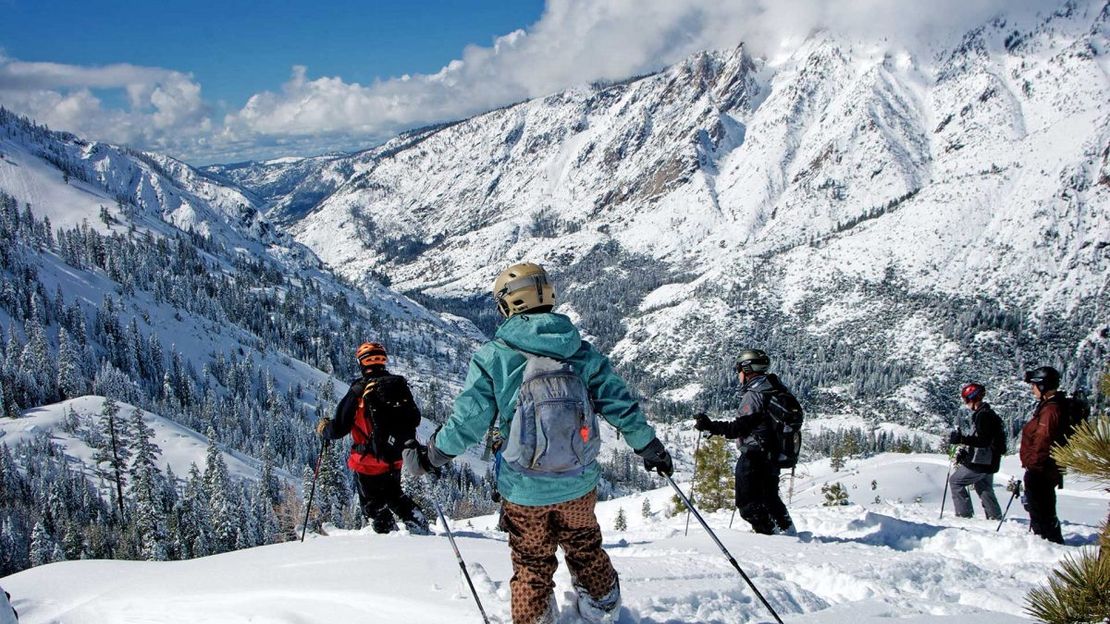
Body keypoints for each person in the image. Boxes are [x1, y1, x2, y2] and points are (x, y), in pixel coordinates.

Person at [403, 262, 673, 624]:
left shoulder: (494, 356)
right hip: (578, 482)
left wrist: (431, 456)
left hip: (523, 489)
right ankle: (604, 610)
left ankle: (535, 619)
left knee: (531, 562)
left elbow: (467, 423)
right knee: (585, 546)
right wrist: (648, 445)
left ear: (509, 304)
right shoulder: (580, 351)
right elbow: (618, 403)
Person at [316, 342, 429, 534]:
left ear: (361, 362)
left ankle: (387, 539)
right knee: (395, 495)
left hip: (368, 461)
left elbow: (340, 428)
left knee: (373, 505)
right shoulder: (398, 385)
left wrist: (324, 429)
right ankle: (418, 524)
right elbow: (415, 418)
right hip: (395, 456)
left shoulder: (359, 391)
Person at [694, 349, 797, 536]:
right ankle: (788, 532)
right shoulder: (775, 388)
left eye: (739, 369)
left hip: (754, 456)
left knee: (748, 505)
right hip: (772, 455)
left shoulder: (755, 394)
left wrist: (710, 426)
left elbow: (739, 428)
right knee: (770, 498)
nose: (738, 374)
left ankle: (772, 537)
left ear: (747, 369)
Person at [1019, 366, 1066, 544]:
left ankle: (1047, 543)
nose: (1032, 389)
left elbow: (1043, 439)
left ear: (1043, 386)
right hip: (1045, 467)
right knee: (1042, 508)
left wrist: (1032, 464)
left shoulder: (1050, 410)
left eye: (1034, 385)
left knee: (1041, 509)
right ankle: (1047, 541)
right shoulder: (1048, 407)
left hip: (1041, 468)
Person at [946, 383, 1005, 520]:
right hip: (991, 461)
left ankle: (964, 516)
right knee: (983, 486)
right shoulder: (988, 414)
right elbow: (985, 439)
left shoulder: (982, 416)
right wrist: (968, 452)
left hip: (981, 461)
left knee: (955, 481)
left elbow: (984, 441)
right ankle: (994, 517)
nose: (965, 403)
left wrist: (962, 439)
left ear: (972, 398)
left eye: (966, 399)